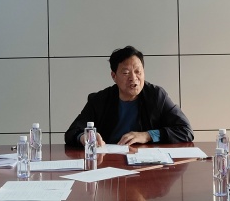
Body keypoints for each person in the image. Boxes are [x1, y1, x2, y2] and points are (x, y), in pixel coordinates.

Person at [64, 45, 193, 147]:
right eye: (126, 73)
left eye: (138, 71)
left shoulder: (156, 96)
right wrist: (83, 137)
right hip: (109, 161)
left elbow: (185, 130)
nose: (133, 78)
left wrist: (147, 135)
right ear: (114, 76)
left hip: (146, 163)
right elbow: (72, 132)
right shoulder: (99, 100)